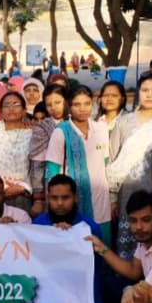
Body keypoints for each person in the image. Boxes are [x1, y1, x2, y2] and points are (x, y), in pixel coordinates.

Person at [108, 73, 152, 259]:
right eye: (145, 90)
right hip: (127, 191)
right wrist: (112, 197)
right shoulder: (124, 122)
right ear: (138, 92)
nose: (150, 95)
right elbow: (113, 158)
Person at [86, 191, 152, 303]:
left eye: (146, 220)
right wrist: (101, 249)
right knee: (103, 283)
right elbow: (134, 270)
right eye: (133, 221)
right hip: (143, 299)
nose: (139, 227)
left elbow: (144, 297)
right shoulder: (145, 240)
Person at [33, 175, 104, 303]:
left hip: (78, 299)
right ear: (48, 198)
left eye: (65, 198)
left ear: (75, 198)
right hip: (45, 297)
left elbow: (95, 272)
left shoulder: (90, 228)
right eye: (54, 198)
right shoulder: (37, 225)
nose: (60, 203)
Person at [46, 85, 111, 238]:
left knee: (101, 244)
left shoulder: (101, 129)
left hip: (101, 201)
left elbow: (106, 164)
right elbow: (52, 171)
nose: (82, 109)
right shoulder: (61, 132)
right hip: (72, 203)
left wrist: (113, 199)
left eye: (87, 103)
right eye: (77, 104)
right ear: (69, 105)